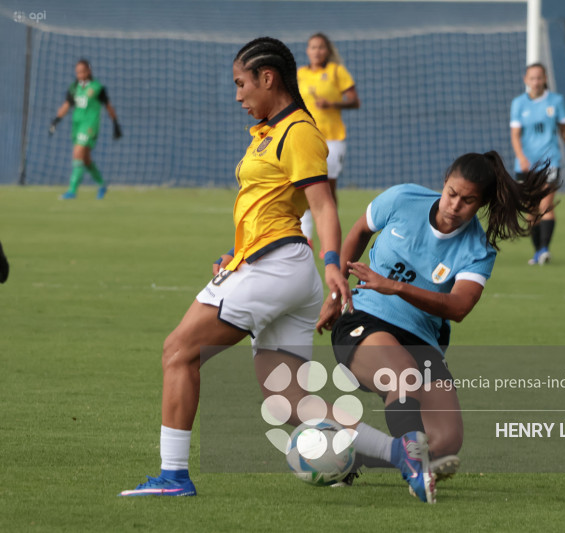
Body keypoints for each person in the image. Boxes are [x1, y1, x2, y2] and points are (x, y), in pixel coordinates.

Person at [119, 37, 433, 503]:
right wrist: (238, 251)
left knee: (179, 351)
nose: (239, 95)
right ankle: (401, 453)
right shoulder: (272, 131)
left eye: (242, 83)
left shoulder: (299, 132)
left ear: (268, 78)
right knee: (286, 401)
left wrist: (333, 264)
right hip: (273, 265)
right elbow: (266, 207)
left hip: (279, 268)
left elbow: (323, 206)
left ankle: (174, 475)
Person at [317, 151, 556, 483]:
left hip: (421, 339)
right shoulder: (402, 199)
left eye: (468, 201)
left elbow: (458, 307)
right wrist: (336, 292)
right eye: (452, 194)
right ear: (444, 183)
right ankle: (414, 472)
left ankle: (353, 453)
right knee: (403, 376)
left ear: (482, 204)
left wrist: (395, 286)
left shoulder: (478, 250)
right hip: (365, 319)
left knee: (444, 445)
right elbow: (359, 232)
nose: (454, 206)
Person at [510, 63, 565, 265]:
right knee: (531, 210)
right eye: (532, 78)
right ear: (526, 80)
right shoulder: (519, 104)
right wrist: (521, 157)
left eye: (539, 77)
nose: (536, 82)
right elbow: (515, 135)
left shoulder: (556, 101)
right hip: (526, 165)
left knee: (545, 204)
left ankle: (545, 249)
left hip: (550, 160)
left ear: (545, 79)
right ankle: (538, 251)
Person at [297, 33, 360, 247]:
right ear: (307, 50)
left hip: (332, 138)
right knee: (304, 184)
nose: (317, 51)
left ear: (327, 51)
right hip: (307, 137)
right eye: (313, 47)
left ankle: (328, 241)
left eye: (321, 47)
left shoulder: (336, 71)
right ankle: (306, 236)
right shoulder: (300, 74)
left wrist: (332, 104)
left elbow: (354, 101)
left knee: (328, 190)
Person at [49, 59, 122, 200]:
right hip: (77, 124)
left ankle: (72, 190)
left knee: (77, 153)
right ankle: (102, 185)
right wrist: (56, 120)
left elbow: (108, 106)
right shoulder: (74, 87)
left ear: (88, 71)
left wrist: (115, 123)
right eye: (77, 72)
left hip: (90, 126)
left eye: (82, 71)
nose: (80, 74)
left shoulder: (97, 88)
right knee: (86, 159)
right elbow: (66, 105)